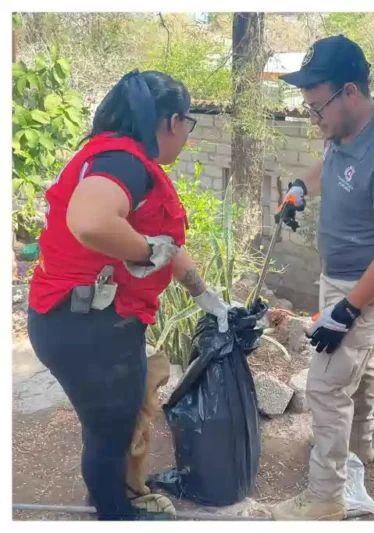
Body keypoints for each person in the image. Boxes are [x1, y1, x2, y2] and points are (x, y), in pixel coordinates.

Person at [27, 70, 231, 520]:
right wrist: (145, 252)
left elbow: (165, 246)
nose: (187, 137)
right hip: (89, 326)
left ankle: (111, 497)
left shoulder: (105, 157)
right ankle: (116, 514)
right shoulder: (125, 162)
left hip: (72, 319)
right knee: (110, 432)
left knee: (110, 425)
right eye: (189, 125)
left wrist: (205, 296)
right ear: (173, 122)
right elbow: (93, 222)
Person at [270, 35, 374, 520]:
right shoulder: (345, 133)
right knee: (361, 366)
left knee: (327, 387)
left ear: (350, 92)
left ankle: (325, 497)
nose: (313, 116)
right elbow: (329, 166)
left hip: (365, 287)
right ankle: (359, 449)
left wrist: (347, 309)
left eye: (317, 106)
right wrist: (299, 187)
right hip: (340, 277)